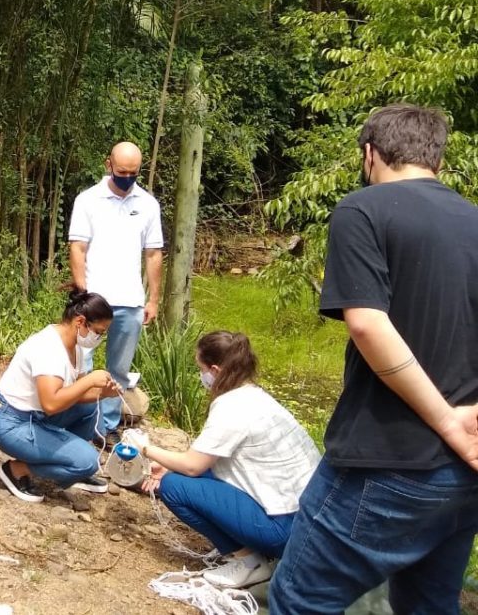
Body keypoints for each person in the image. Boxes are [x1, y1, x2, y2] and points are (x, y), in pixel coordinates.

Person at [268, 105, 478, 614]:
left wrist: (448, 422)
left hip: (386, 459)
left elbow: (367, 323)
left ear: (369, 154)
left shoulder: (364, 209)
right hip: (465, 475)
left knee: (299, 599)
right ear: (438, 159)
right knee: (428, 605)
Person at [126, 331, 320, 589]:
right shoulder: (255, 396)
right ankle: (254, 551)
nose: (201, 376)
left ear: (215, 370)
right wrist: (172, 464)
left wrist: (146, 448)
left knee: (173, 487)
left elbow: (193, 466)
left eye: (201, 369)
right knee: (183, 475)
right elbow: (207, 461)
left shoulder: (231, 406)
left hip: (284, 531)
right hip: (310, 519)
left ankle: (249, 563)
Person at [68, 141, 164, 445]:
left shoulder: (148, 205)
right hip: (95, 299)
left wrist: (153, 299)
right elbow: (78, 246)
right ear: (108, 164)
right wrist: (81, 292)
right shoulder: (88, 200)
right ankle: (75, 420)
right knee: (81, 363)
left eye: (133, 173)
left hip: (130, 300)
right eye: (122, 171)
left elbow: (153, 254)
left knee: (118, 370)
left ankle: (105, 427)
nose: (127, 177)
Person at [0, 288, 120, 502]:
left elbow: (73, 392)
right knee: (88, 461)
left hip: (35, 416)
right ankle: (17, 469)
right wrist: (89, 381)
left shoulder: (73, 344)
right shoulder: (49, 349)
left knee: (92, 407)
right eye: (99, 331)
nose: (99, 338)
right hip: (12, 423)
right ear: (80, 322)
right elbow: (51, 403)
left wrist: (102, 393)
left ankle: (68, 464)